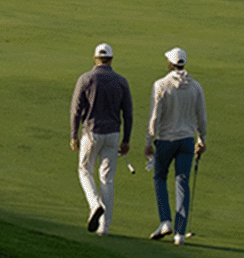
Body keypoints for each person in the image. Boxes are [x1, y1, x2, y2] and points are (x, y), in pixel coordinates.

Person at [69, 42, 132, 235]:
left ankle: (94, 204)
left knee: (84, 171)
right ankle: (104, 227)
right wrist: (126, 139)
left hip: (91, 132)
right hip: (113, 134)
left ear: (95, 59)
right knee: (107, 179)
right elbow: (128, 113)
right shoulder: (121, 81)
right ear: (111, 59)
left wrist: (73, 135)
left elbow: (76, 110)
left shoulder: (85, 78)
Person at [146, 47, 207, 244]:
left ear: (169, 64)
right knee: (182, 183)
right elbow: (201, 117)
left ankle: (165, 221)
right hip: (187, 140)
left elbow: (154, 117)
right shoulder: (196, 87)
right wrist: (202, 139)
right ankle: (180, 233)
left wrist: (148, 141)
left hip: (166, 140)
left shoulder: (161, 85)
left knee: (159, 178)